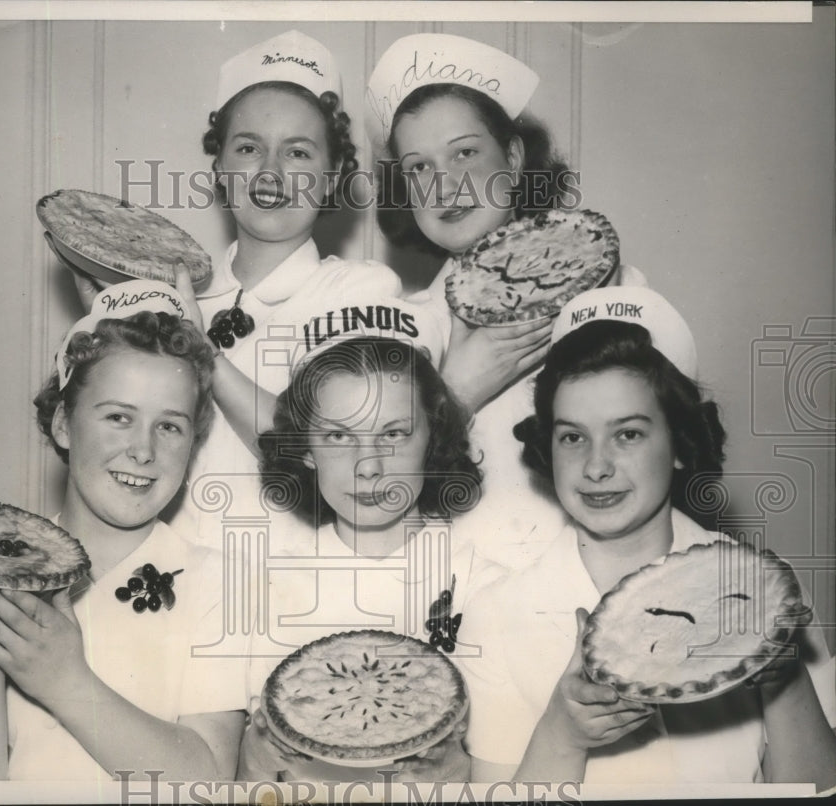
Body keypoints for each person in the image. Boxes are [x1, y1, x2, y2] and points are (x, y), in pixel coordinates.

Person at [460, 286, 836, 787]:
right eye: (573, 436)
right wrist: (563, 734)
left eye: (628, 434)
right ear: (548, 451)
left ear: (681, 443)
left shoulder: (765, 591)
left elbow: (815, 792)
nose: (596, 467)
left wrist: (783, 677)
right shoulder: (495, 615)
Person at [71, 30, 402, 545]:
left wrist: (203, 354)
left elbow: (326, 453)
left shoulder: (360, 292)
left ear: (333, 174)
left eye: (297, 153)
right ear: (220, 167)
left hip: (296, 587)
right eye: (249, 148)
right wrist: (113, 332)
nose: (270, 173)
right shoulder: (167, 301)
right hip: (169, 586)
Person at [0, 280, 247, 781]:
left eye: (170, 426)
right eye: (118, 417)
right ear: (63, 424)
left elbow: (208, 781)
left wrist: (63, 680)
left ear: (194, 442)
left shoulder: (221, 582)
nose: (143, 450)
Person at [365, 33, 648, 569]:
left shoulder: (616, 292)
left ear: (514, 157)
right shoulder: (401, 328)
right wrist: (454, 394)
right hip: (454, 601)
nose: (444, 186)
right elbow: (371, 495)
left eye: (465, 153)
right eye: (419, 167)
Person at [236, 297, 505, 783]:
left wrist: (459, 771)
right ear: (307, 450)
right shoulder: (262, 590)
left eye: (394, 434)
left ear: (433, 437)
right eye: (340, 437)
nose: (369, 465)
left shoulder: (488, 588)